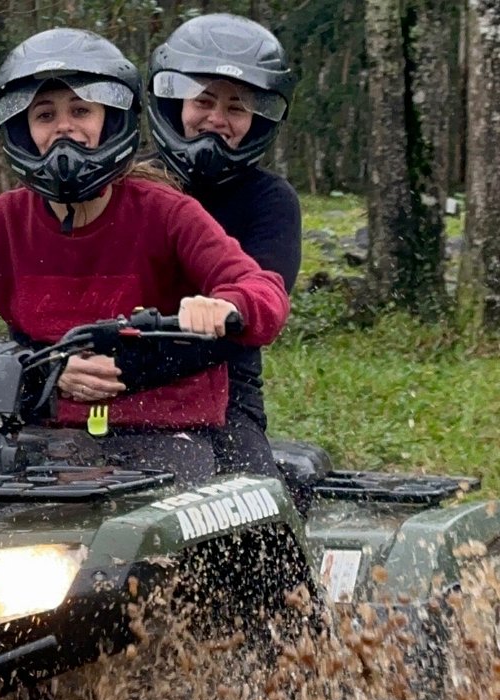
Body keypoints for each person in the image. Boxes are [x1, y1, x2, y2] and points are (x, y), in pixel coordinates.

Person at [0, 28, 290, 486]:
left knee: (210, 540)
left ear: (111, 120)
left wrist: (227, 304)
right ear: (23, 130)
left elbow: (261, 289)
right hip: (36, 430)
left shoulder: (168, 211)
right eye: (45, 115)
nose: (64, 127)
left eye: (80, 110)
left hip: (163, 431)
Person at [146, 13, 301, 477]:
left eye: (235, 108)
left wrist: (223, 312)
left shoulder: (271, 200)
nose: (216, 119)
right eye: (204, 101)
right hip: (108, 386)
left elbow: (261, 305)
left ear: (256, 119)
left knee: (251, 514)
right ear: (176, 104)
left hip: (223, 394)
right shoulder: (132, 185)